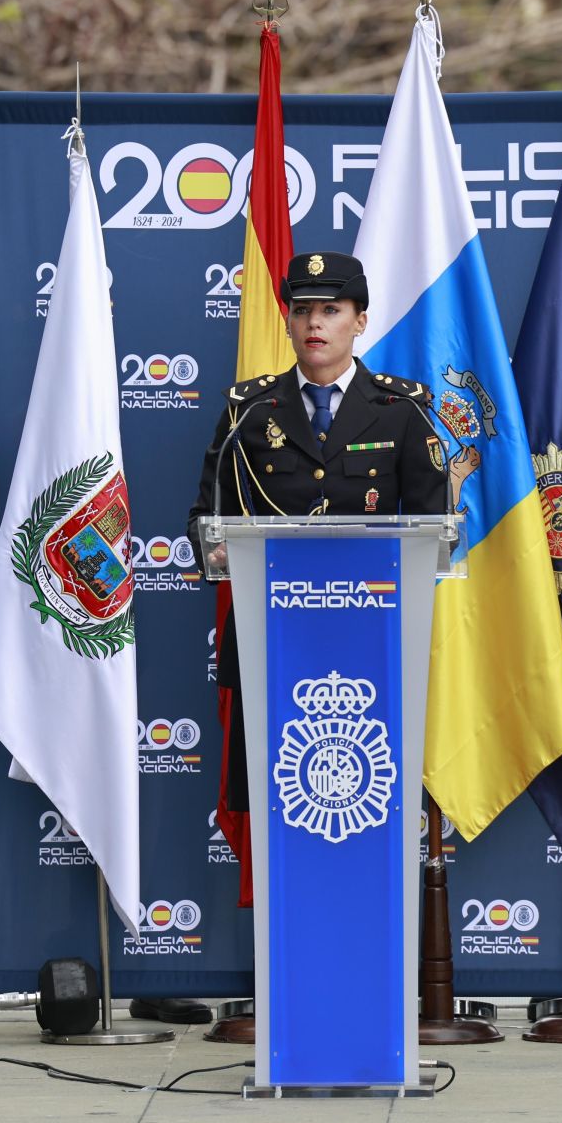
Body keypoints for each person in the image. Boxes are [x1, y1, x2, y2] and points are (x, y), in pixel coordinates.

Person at [185, 251, 447, 937]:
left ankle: (366, 967)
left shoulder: (402, 411)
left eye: (331, 310)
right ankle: (290, 982)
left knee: (368, 805)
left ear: (360, 321)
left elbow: (434, 526)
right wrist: (210, 550)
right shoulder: (249, 412)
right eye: (302, 309)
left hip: (372, 648)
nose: (314, 323)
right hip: (278, 644)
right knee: (282, 806)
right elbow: (206, 514)